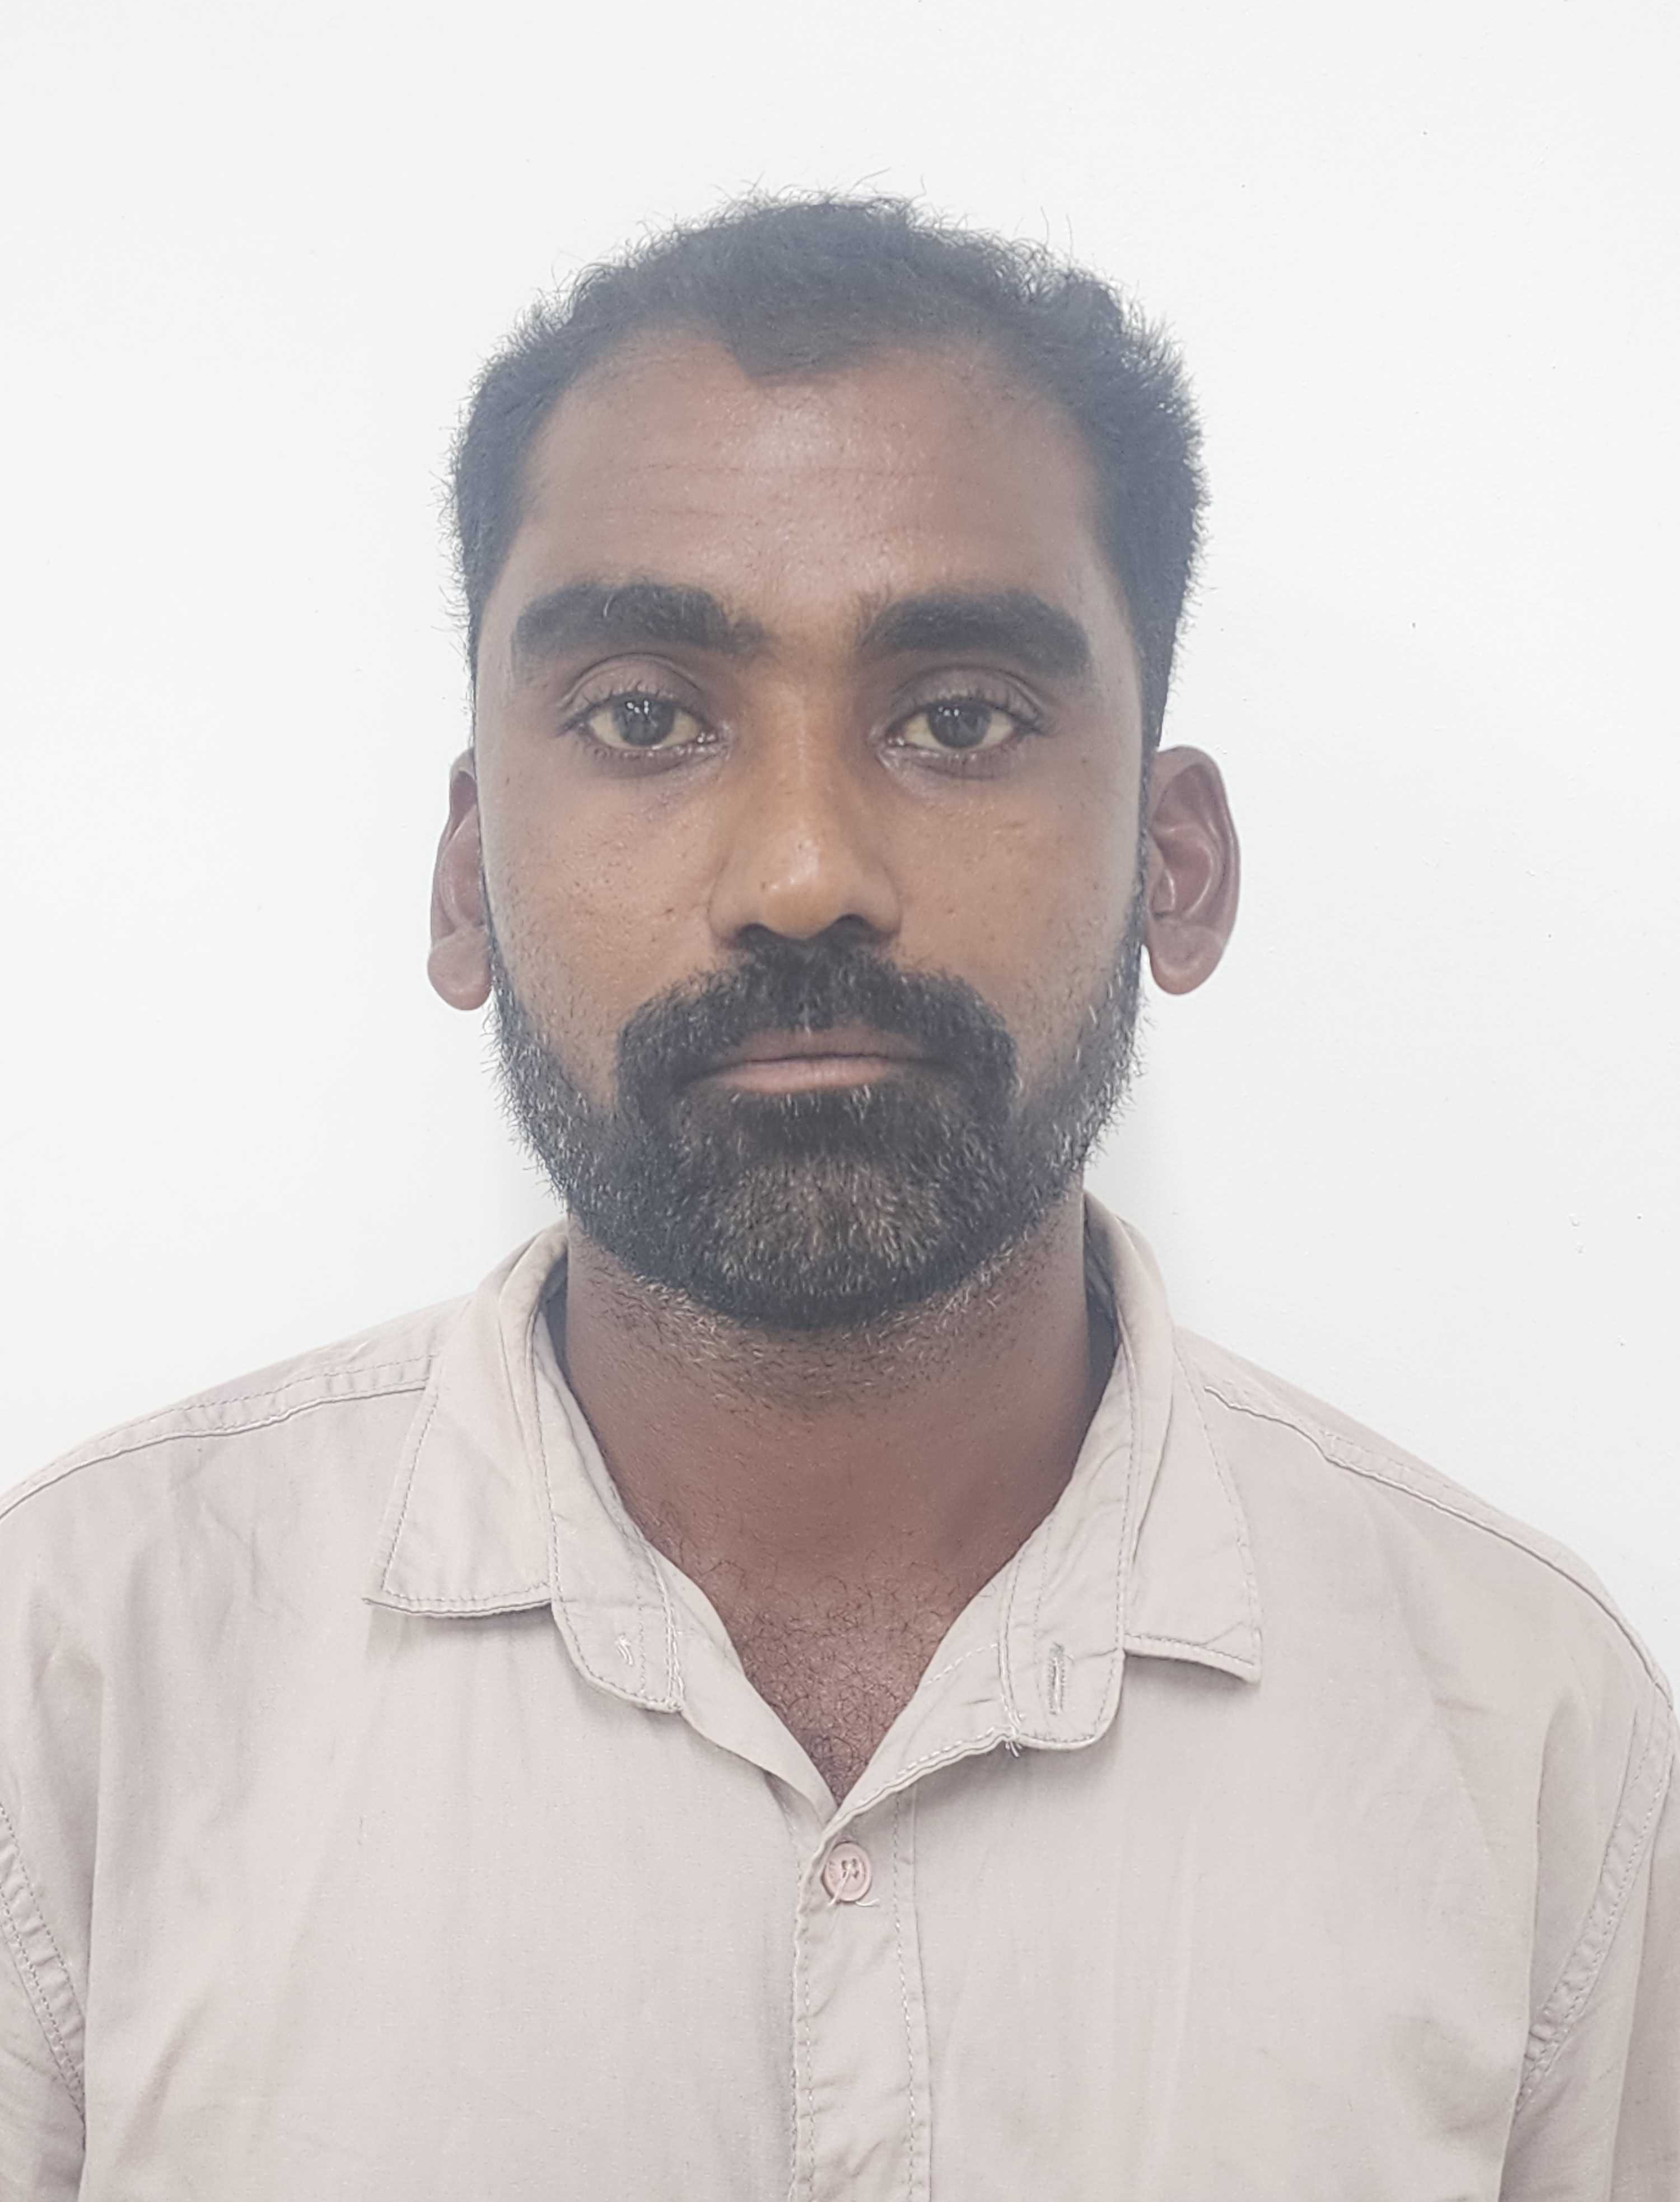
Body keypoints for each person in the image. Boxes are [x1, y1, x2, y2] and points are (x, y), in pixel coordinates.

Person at [2, 192, 1673, 2201]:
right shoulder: (77, 1675)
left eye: (959, 719)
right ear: (466, 880)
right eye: (645, 717)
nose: (803, 872)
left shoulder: (1528, 1730)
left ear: (1176, 867)